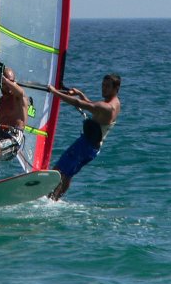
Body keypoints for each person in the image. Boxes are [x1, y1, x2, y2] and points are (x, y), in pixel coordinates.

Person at [47, 73, 121, 201]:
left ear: (116, 89)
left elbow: (80, 103)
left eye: (107, 86)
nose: (103, 88)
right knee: (68, 174)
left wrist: (55, 92)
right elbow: (93, 106)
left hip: (85, 146)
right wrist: (80, 93)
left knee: (58, 171)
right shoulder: (115, 103)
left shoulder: (107, 107)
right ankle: (55, 199)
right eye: (103, 85)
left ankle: (50, 198)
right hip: (93, 149)